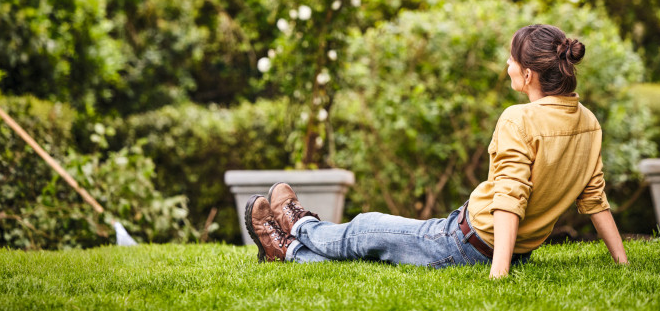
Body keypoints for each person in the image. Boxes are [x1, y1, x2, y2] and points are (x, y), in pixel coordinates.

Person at [244, 24, 629, 278]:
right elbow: (593, 197)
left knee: (364, 229)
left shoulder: (520, 119)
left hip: (463, 243)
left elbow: (511, 199)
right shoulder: (588, 121)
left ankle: (296, 228)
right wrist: (622, 261)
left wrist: (499, 274)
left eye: (511, 59)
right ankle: (289, 249)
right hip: (497, 244)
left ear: (528, 74)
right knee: (367, 254)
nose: (507, 65)